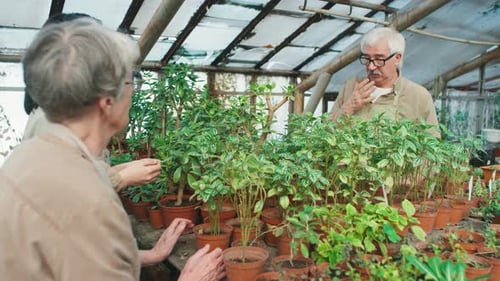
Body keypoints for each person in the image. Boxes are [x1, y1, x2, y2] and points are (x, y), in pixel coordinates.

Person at [0, 18, 225, 280]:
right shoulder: (91, 201)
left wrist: (150, 255)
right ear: (107, 100)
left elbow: (66, 257)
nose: (133, 93)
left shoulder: (27, 157)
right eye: (130, 82)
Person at [21, 12, 162, 192]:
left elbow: (79, 171)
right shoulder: (49, 122)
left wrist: (121, 171)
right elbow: (67, 193)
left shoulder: (65, 116)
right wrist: (122, 178)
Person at [329, 27, 440, 137]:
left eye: (379, 59)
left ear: (397, 58)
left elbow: (432, 146)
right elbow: (324, 133)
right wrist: (348, 107)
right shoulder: (351, 87)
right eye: (367, 58)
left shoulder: (418, 96)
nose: (371, 66)